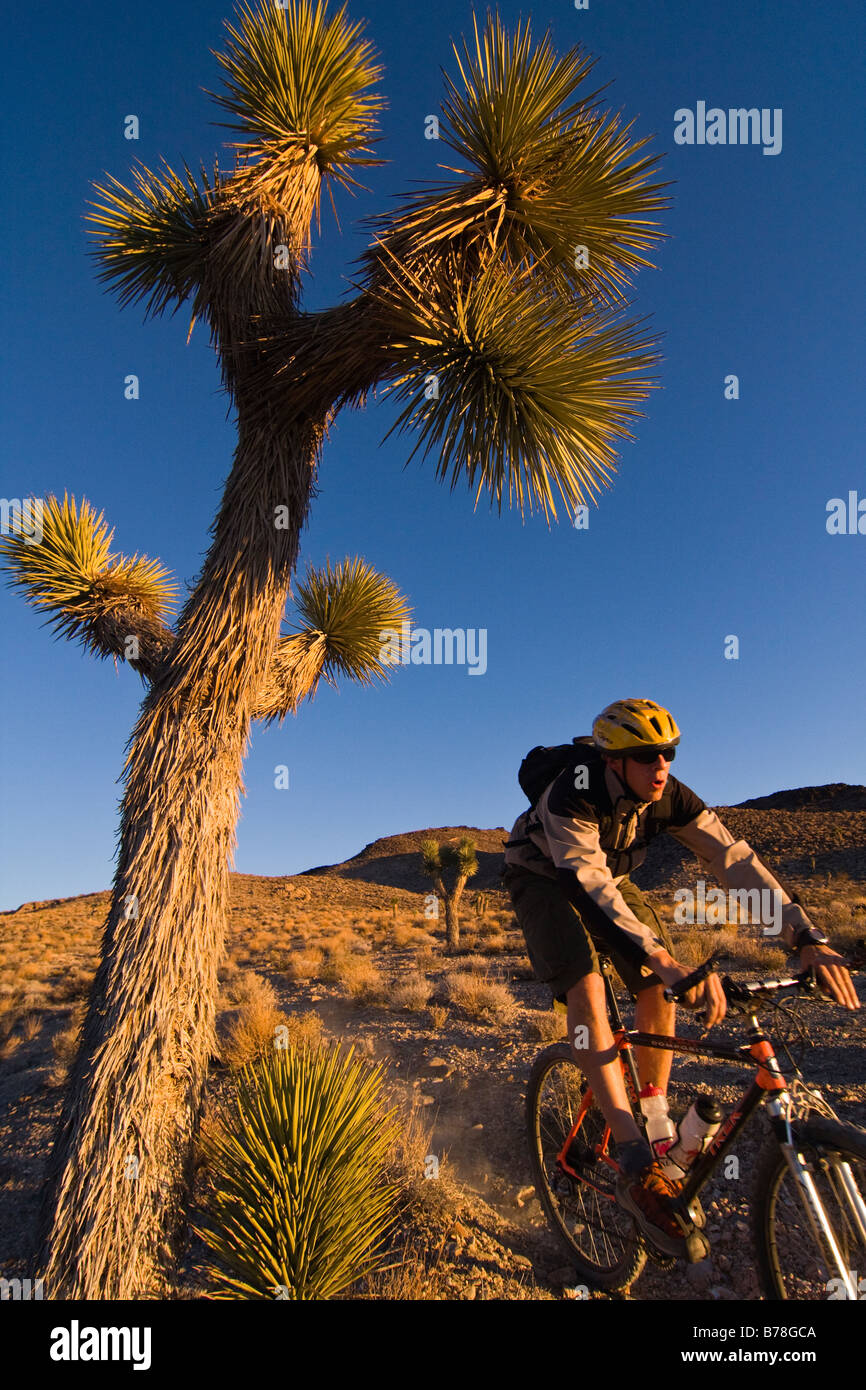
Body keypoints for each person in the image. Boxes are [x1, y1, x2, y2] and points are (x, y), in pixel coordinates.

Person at [502, 698, 859, 1259]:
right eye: (647, 756)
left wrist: (804, 937)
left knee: (655, 986)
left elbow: (732, 861)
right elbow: (588, 887)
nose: (661, 765)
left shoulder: (669, 794)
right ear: (613, 761)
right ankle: (632, 1156)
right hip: (547, 879)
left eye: (669, 752)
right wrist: (666, 963)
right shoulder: (573, 789)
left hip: (610, 880)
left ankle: (654, 1115)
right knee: (590, 987)